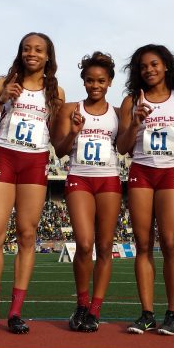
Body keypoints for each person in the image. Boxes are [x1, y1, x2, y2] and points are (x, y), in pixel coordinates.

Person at [0, 32, 64, 335]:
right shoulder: (3, 84)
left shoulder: (56, 93)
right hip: (5, 157)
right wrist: (1, 100)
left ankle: (14, 312)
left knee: (27, 235)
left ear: (48, 55)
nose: (32, 53)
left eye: (38, 49)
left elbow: (60, 140)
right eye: (27, 49)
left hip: (35, 162)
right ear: (20, 53)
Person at [118, 44, 174, 336]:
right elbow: (122, 147)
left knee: (171, 243)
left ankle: (172, 314)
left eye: (154, 64)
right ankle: (147, 313)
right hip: (141, 172)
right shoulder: (130, 101)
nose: (148, 70)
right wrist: (135, 122)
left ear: (166, 66)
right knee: (143, 243)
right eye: (143, 66)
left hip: (170, 173)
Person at [51, 52, 121, 332]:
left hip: (109, 180)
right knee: (83, 243)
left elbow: (126, 145)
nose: (95, 85)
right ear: (83, 82)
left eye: (101, 81)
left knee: (105, 247)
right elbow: (58, 149)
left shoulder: (116, 114)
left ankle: (95, 310)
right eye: (90, 80)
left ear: (110, 82)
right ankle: (81, 304)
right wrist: (74, 133)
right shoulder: (71, 109)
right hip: (79, 177)